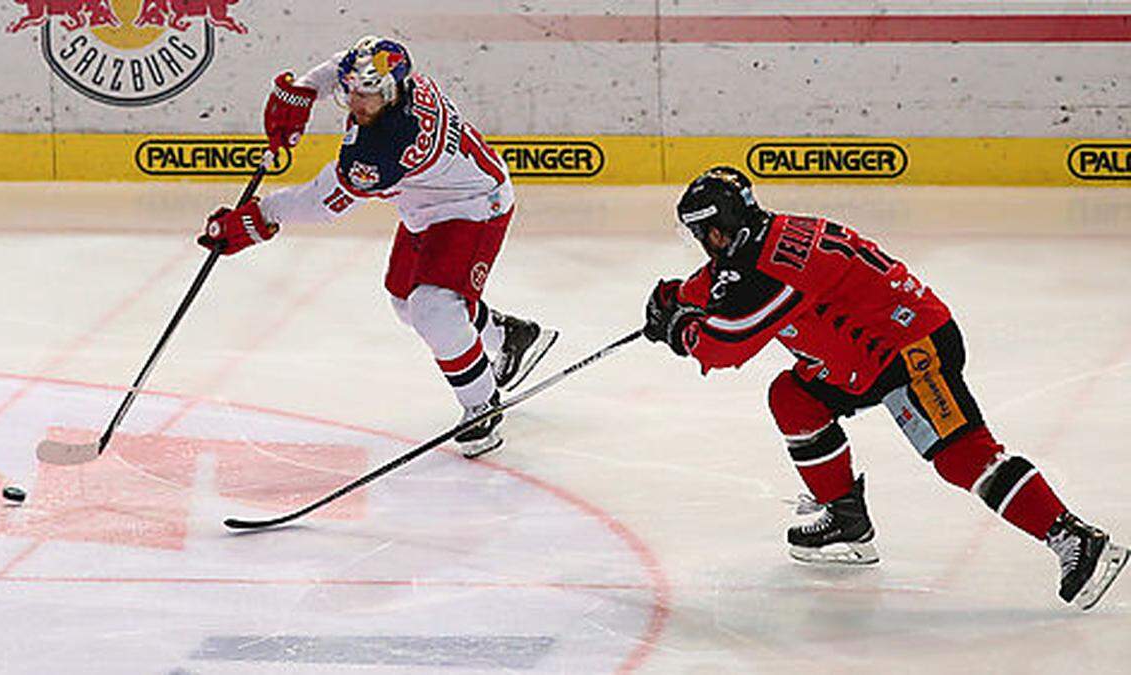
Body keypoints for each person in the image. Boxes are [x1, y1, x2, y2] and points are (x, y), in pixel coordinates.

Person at [642, 165, 1127, 609]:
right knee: (794, 398)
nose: (705, 243)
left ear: (723, 224)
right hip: (861, 358)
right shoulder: (763, 240)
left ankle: (1074, 538)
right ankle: (847, 522)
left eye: (704, 232)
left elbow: (727, 343)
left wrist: (678, 330)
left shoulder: (779, 271)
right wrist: (678, 296)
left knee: (963, 456)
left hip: (909, 351)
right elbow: (727, 278)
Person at [197, 36, 557, 458]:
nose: (355, 102)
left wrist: (258, 219)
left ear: (390, 92)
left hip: (475, 206)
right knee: (404, 301)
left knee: (434, 308)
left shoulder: (386, 147)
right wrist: (306, 91)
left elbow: (324, 203)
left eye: (366, 94)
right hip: (426, 204)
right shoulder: (397, 76)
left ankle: (482, 405)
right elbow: (344, 64)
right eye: (352, 90)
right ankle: (512, 335)